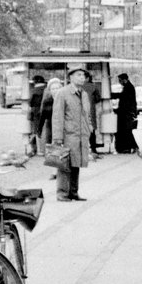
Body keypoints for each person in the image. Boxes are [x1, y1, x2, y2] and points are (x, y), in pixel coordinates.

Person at [51, 66, 94, 201]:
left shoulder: (84, 94)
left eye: (83, 75)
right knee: (64, 165)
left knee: (76, 163)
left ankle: (73, 192)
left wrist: (89, 128)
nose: (82, 78)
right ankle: (62, 193)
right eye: (79, 75)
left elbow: (87, 115)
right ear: (71, 77)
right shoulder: (62, 93)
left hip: (81, 135)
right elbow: (57, 116)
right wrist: (57, 138)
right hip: (68, 135)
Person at [114, 73, 139, 154]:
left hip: (127, 113)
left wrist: (110, 95)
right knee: (127, 131)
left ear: (124, 79)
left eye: (120, 80)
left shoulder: (128, 87)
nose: (119, 82)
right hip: (127, 112)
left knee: (127, 131)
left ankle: (134, 147)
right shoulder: (128, 86)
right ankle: (130, 147)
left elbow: (123, 98)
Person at [26, 76, 46, 156]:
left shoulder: (34, 90)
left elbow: (30, 103)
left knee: (36, 130)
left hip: (36, 113)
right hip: (47, 112)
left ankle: (37, 149)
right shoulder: (47, 88)